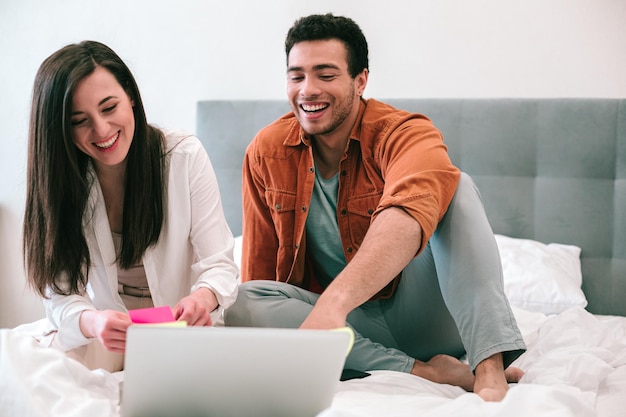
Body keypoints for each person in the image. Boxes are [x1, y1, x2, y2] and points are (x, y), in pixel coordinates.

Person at [224, 13, 526, 401]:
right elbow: (263, 268)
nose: (308, 90)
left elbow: (407, 212)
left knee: (457, 185)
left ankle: (487, 365)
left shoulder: (405, 133)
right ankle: (427, 372)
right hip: (350, 332)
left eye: (326, 75)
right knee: (240, 301)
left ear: (360, 80)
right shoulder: (266, 151)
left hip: (425, 313)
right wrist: (268, 330)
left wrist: (335, 301)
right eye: (296, 76)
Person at [23, 41, 239, 372]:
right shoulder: (60, 182)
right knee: (35, 373)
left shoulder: (183, 157)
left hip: (182, 328)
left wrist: (202, 299)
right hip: (108, 331)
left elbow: (219, 265)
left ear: (131, 97)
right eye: (80, 120)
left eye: (109, 108)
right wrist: (93, 322)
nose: (102, 130)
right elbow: (61, 294)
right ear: (60, 130)